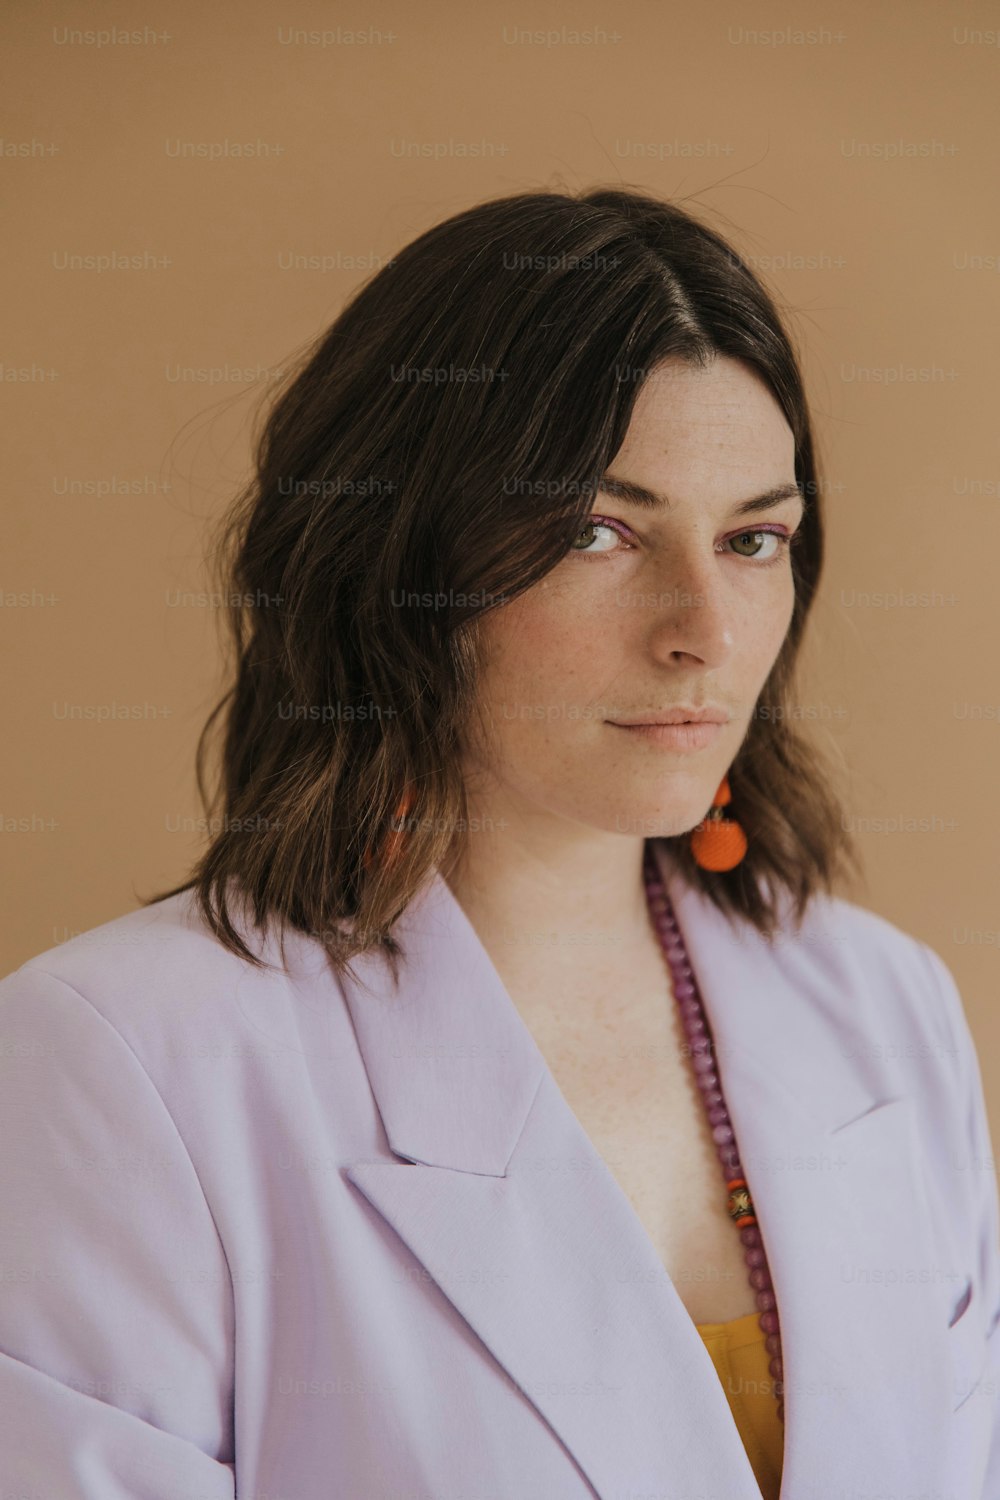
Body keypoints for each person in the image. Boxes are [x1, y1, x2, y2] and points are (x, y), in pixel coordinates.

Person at [1, 185, 998, 1499]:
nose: (705, 627)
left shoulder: (887, 1006)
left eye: (755, 538)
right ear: (402, 560)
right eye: (601, 531)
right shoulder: (115, 1062)